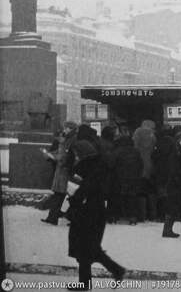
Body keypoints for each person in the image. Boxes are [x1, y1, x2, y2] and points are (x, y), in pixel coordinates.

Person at [66, 140, 125, 291]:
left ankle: (89, 282)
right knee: (89, 249)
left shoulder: (90, 166)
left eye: (76, 153)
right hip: (93, 211)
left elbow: (86, 187)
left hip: (88, 212)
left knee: (87, 248)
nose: (75, 156)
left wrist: (75, 198)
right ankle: (112, 272)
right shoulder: (98, 165)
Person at [41, 121, 77, 225]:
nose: (64, 130)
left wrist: (54, 157)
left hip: (65, 170)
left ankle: (55, 217)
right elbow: (61, 152)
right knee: (59, 194)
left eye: (66, 128)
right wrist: (50, 154)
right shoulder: (66, 139)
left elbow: (65, 156)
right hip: (61, 170)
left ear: (71, 129)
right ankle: (52, 217)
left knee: (62, 194)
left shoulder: (71, 140)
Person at [112, 135, 143, 225]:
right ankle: (132, 217)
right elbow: (141, 164)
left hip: (120, 178)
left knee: (119, 196)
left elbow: (111, 164)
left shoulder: (118, 151)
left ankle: (117, 216)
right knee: (132, 197)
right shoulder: (136, 151)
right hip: (134, 177)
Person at [133, 120, 158, 221]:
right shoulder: (153, 135)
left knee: (141, 191)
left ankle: (142, 215)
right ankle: (153, 215)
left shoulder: (138, 132)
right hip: (151, 165)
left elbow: (135, 147)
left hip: (140, 165)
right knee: (151, 190)